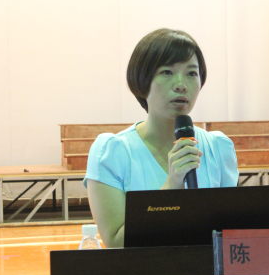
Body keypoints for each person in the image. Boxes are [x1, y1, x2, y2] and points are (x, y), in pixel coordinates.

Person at [84, 29, 239, 248]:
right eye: (167, 72)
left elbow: (229, 237)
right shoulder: (112, 152)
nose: (181, 84)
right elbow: (116, 243)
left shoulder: (219, 148)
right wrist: (172, 187)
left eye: (191, 73)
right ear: (142, 80)